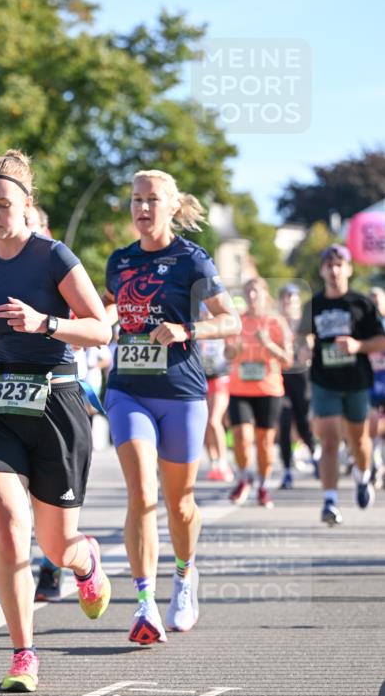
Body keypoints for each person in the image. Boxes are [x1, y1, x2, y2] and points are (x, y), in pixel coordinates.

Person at [0, 149, 112, 692]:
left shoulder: (53, 256)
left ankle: (85, 561)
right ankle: (23, 654)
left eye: (3, 204)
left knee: (56, 545)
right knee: (9, 531)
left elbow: (100, 329)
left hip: (56, 403)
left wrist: (46, 323)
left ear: (26, 205)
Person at [103, 169, 239, 644]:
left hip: (181, 392)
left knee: (180, 504)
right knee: (142, 493)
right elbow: (108, 309)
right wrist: (94, 323)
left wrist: (188, 330)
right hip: (128, 390)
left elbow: (231, 320)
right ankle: (144, 603)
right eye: (136, 199)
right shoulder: (119, 261)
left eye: (152, 199)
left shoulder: (192, 260)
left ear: (173, 206)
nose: (142, 208)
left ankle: (184, 575)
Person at [299, 245, 385, 525]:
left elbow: (381, 340)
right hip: (324, 381)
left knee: (358, 440)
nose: (334, 270)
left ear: (349, 269)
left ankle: (363, 475)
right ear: (322, 271)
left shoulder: (362, 303)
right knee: (329, 441)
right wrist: (304, 348)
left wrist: (358, 346)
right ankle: (330, 501)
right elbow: (302, 337)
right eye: (329, 265)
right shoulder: (313, 304)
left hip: (357, 381)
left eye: (339, 265)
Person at [225, 276, 292, 509]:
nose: (252, 296)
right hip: (239, 388)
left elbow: (288, 360)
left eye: (256, 291)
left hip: (268, 389)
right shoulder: (237, 322)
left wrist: (268, 344)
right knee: (241, 437)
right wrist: (233, 350)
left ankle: (263, 486)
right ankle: (244, 478)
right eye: (248, 291)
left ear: (265, 294)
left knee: (264, 442)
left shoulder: (276, 322)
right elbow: (227, 354)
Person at [277, 283, 316, 489]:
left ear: (297, 302)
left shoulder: (304, 322)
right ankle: (286, 470)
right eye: (284, 298)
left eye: (291, 298)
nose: (287, 302)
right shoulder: (275, 322)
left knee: (303, 422)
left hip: (301, 376)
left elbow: (312, 345)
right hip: (280, 377)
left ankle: (315, 455)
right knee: (284, 422)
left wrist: (307, 350)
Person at [198, 305, 233, 482]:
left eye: (209, 312)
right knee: (205, 423)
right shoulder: (195, 329)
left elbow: (232, 352)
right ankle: (213, 462)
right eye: (204, 312)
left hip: (220, 378)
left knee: (214, 420)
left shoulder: (222, 330)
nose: (207, 315)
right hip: (201, 379)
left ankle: (223, 462)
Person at [368, 286, 385, 488]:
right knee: (371, 428)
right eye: (371, 300)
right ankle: (375, 466)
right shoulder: (362, 327)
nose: (375, 303)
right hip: (370, 384)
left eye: (378, 300)